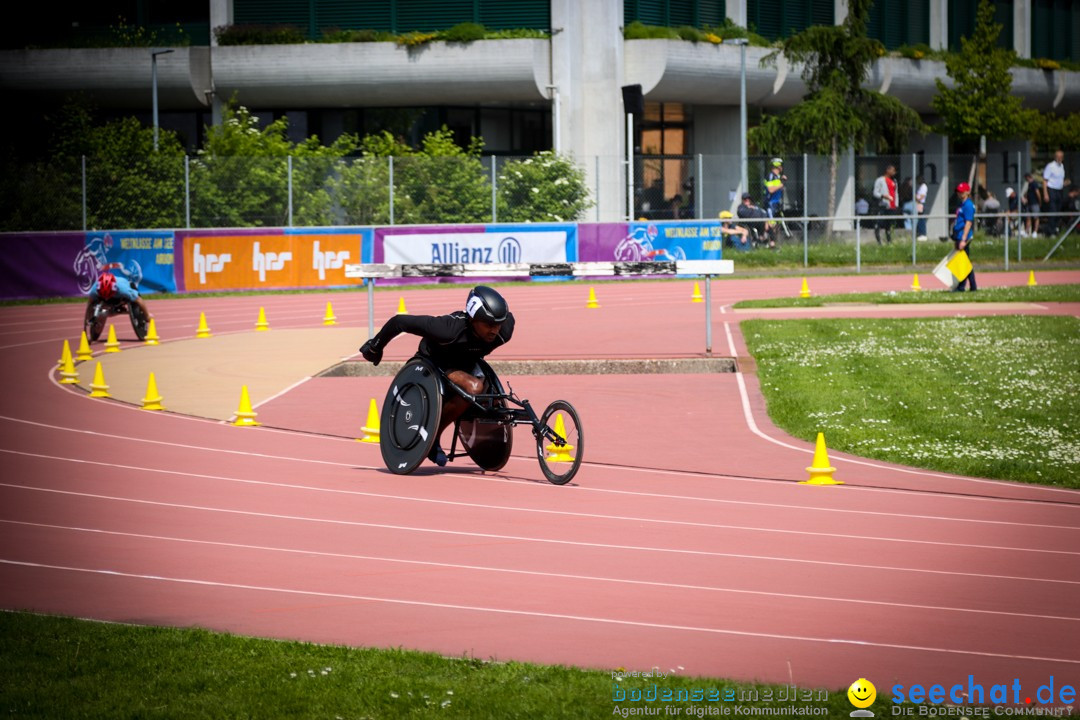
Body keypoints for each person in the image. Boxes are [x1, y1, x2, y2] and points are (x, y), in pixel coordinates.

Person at [359, 286, 514, 467]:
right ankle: (433, 438)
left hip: (468, 363)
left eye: (498, 324)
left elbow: (505, 321)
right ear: (472, 319)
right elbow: (399, 321)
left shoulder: (504, 331)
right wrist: (375, 346)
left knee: (493, 398)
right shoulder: (446, 329)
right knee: (474, 388)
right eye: (489, 324)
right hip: (437, 362)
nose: (495, 330)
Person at [86, 263, 151, 322]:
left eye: (108, 295)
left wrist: (147, 316)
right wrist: (88, 318)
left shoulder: (123, 289)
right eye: (105, 296)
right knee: (99, 302)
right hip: (107, 297)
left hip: (120, 294)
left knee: (135, 296)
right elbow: (89, 303)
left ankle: (119, 306)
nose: (106, 299)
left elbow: (139, 300)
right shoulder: (94, 290)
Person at [952, 182, 977, 292]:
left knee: (964, 262)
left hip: (964, 236)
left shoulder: (968, 205)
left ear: (967, 192)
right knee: (964, 262)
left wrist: (963, 239)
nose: (959, 193)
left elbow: (968, 222)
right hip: (959, 235)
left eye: (962, 191)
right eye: (958, 191)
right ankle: (972, 286)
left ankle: (962, 287)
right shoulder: (962, 204)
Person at [872, 165, 898, 244]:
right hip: (883, 206)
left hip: (892, 207)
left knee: (889, 225)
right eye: (892, 170)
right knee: (879, 223)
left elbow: (896, 193)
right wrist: (883, 196)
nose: (894, 172)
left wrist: (896, 204)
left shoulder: (894, 181)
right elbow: (875, 193)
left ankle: (889, 241)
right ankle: (878, 241)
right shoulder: (880, 180)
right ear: (888, 170)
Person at [1043, 149, 1066, 235]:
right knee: (1052, 210)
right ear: (1055, 157)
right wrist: (1046, 194)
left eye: (1061, 157)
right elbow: (1045, 180)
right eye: (1058, 156)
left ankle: (1056, 229)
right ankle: (1050, 231)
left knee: (1058, 210)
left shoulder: (1062, 166)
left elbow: (1060, 180)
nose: (1060, 158)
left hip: (1059, 190)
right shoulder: (1050, 166)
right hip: (1051, 190)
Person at [1023, 171, 1043, 238]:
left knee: (1036, 218)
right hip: (1029, 203)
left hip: (1035, 203)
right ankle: (1026, 231)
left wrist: (1040, 202)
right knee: (1028, 218)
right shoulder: (1029, 184)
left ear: (1028, 177)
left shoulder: (1034, 184)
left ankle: (1035, 232)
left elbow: (1038, 193)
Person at [914, 175, 928, 241]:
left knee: (921, 219)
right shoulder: (920, 186)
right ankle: (920, 233)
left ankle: (923, 234)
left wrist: (916, 197)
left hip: (921, 203)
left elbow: (922, 196)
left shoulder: (923, 186)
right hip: (918, 203)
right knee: (919, 218)